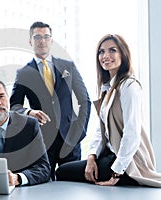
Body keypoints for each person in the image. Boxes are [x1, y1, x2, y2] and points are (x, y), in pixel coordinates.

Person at [56, 34, 161, 187]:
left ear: (123, 54)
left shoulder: (129, 86)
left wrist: (116, 172)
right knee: (65, 170)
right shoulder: (107, 89)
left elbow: (132, 133)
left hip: (127, 162)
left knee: (63, 172)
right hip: (109, 155)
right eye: (101, 51)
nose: (106, 56)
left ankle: (128, 178)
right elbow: (101, 131)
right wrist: (91, 157)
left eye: (112, 50)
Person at [10, 21, 91, 180]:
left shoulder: (68, 66)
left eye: (46, 36)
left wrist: (79, 133)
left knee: (72, 186)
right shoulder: (24, 73)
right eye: (37, 37)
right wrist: (29, 112)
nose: (42, 41)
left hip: (70, 140)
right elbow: (13, 106)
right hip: (41, 142)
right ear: (30, 41)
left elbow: (85, 101)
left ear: (51, 40)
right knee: (43, 185)